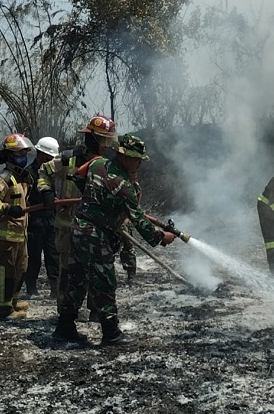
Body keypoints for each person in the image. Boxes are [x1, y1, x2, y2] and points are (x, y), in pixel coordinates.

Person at [52, 134, 176, 348]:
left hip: (79, 229)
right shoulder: (122, 184)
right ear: (123, 156)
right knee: (105, 283)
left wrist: (98, 201)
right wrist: (162, 237)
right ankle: (111, 333)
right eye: (135, 158)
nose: (139, 163)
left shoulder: (97, 163)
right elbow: (138, 219)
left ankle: (64, 327)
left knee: (77, 280)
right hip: (95, 236)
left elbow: (79, 177)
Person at [37, 114, 117, 316]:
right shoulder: (68, 158)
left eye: (109, 141)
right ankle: (66, 315)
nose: (107, 145)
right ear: (94, 139)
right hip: (67, 227)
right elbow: (44, 171)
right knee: (68, 273)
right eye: (104, 140)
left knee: (97, 271)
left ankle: (97, 312)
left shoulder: (108, 165)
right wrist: (46, 191)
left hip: (96, 229)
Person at [0, 133, 33, 319]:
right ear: (10, 155)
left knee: (20, 270)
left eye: (25, 153)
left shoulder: (22, 177)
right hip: (4, 236)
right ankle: (2, 310)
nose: (23, 157)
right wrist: (7, 208)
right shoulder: (2, 178)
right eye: (20, 153)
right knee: (5, 274)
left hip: (20, 235)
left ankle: (12, 302)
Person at [20, 137, 60, 299]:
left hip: (51, 219)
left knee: (54, 255)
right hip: (35, 220)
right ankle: (31, 289)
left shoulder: (56, 171)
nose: (52, 160)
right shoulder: (29, 174)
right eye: (50, 157)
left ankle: (55, 289)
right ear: (42, 155)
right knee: (33, 256)